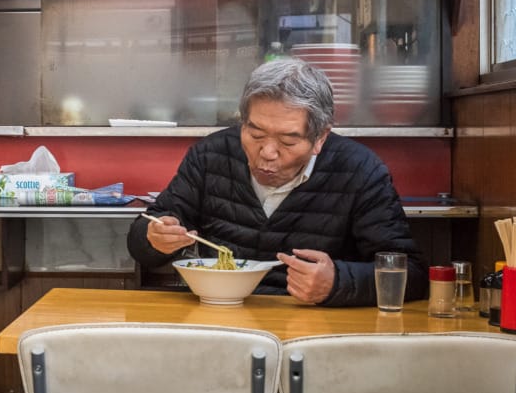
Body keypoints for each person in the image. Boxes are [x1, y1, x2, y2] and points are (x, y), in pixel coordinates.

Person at [128, 57, 427, 306]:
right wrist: (153, 239)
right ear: (243, 122)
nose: (267, 153)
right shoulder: (211, 155)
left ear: (320, 137)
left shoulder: (360, 170)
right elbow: (144, 238)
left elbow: (412, 274)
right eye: (255, 135)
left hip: (312, 325)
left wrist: (338, 283)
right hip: (219, 316)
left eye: (287, 140)